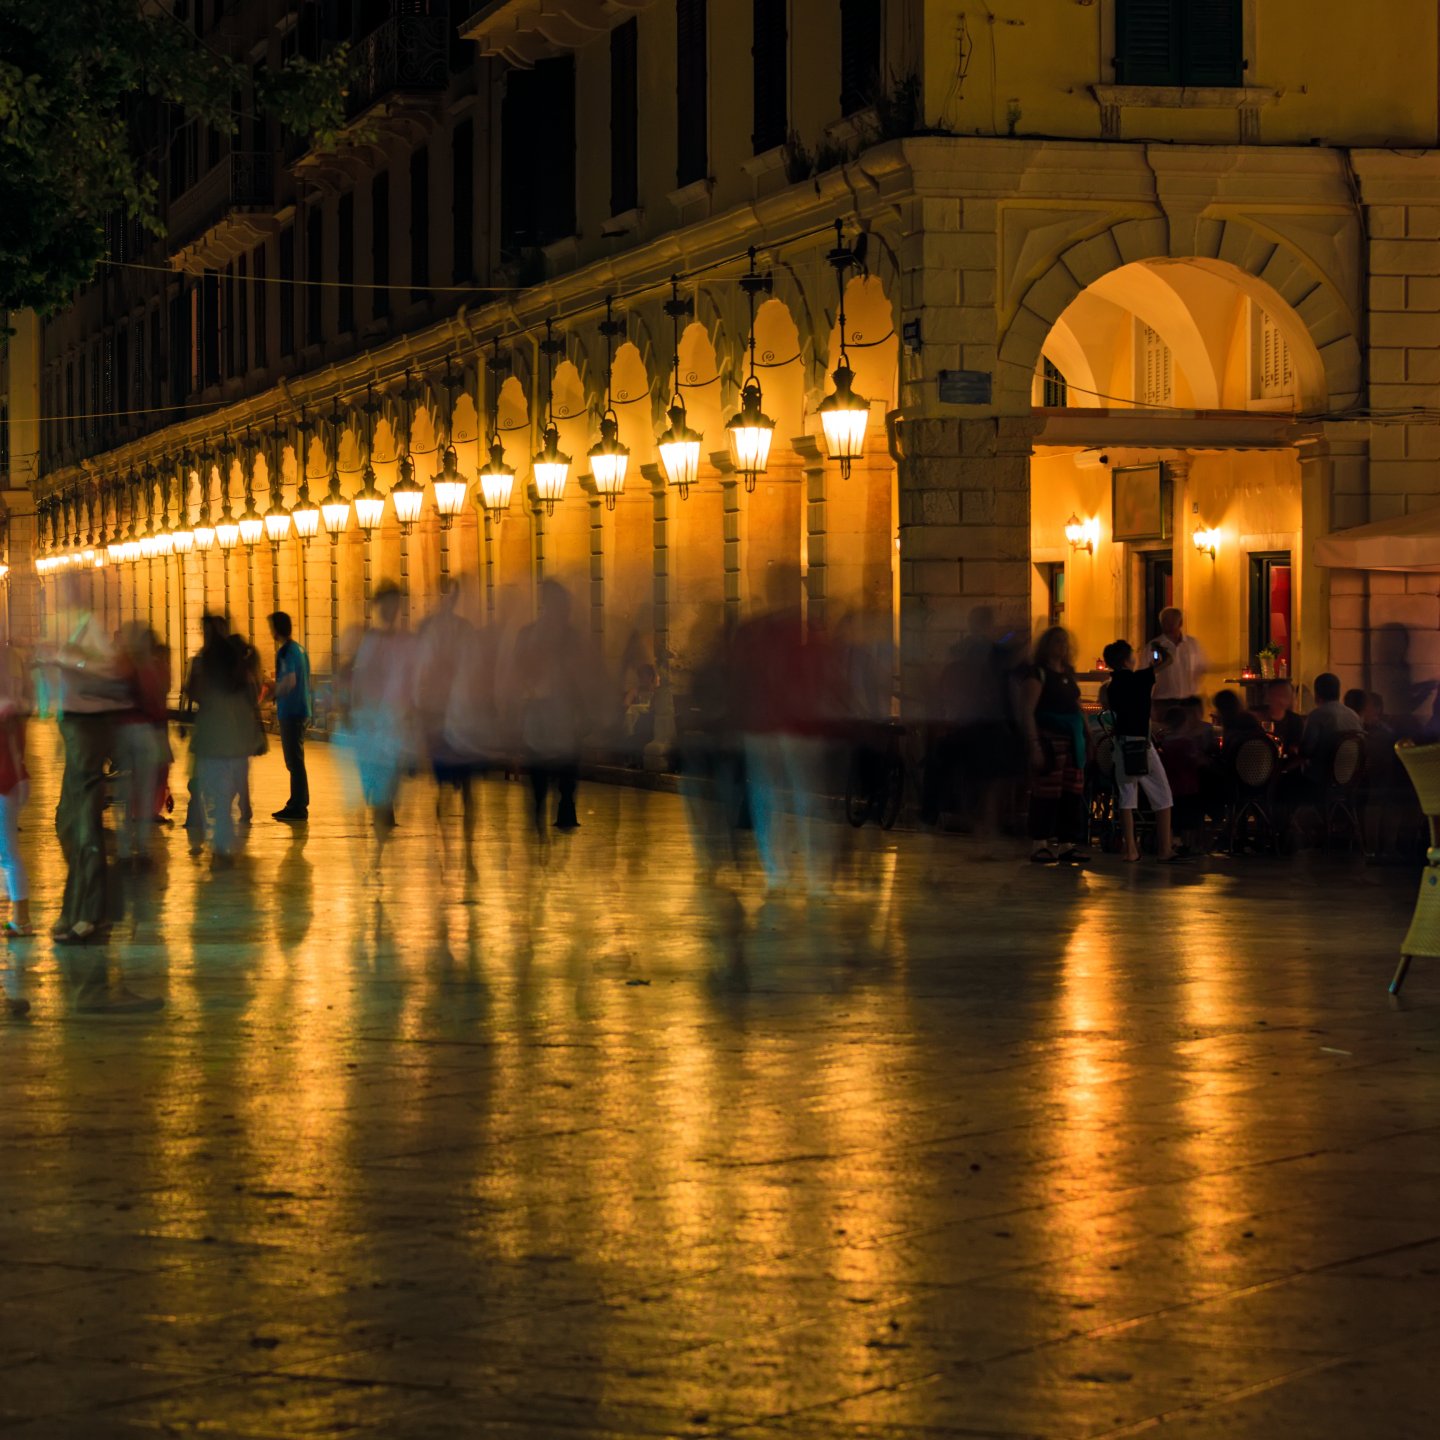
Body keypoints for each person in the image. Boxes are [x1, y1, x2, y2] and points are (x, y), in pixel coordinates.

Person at [48, 572, 131, 943]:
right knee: (70, 825)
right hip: (76, 733)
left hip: (89, 733)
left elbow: (110, 670)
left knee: (84, 829)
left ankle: (91, 915)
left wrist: (72, 660)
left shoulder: (93, 629)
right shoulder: (79, 628)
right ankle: (75, 909)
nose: (61, 594)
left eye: (66, 587)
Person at [185, 614, 260, 864]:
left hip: (213, 736)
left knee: (216, 793)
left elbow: (194, 692)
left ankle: (220, 847)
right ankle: (222, 846)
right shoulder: (236, 662)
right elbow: (250, 697)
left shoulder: (205, 662)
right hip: (233, 737)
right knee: (224, 794)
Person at [347, 581, 417, 837]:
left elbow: (411, 677)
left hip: (394, 716)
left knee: (393, 767)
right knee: (380, 766)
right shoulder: (372, 639)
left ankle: (384, 805)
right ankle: (381, 806)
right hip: (374, 716)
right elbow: (361, 677)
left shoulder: (405, 640)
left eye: (395, 604)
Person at [1101, 638, 1178, 862]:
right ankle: (1165, 848)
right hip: (1142, 745)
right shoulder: (1141, 678)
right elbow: (1169, 660)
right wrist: (1158, 648)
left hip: (1122, 744)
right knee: (1163, 795)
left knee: (1126, 798)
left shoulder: (1111, 687)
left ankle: (1131, 849)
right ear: (1127, 659)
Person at [1018, 627, 1089, 865]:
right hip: (1051, 739)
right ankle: (1040, 842)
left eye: (1065, 642)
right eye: (1057, 642)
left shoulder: (1067, 673)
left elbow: (1076, 704)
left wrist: (1087, 733)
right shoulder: (1038, 674)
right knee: (1047, 791)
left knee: (1072, 791)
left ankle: (1067, 843)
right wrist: (1034, 743)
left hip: (1072, 741)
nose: (1062, 646)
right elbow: (1027, 710)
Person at [112, 622, 169, 863]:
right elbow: (156, 701)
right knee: (145, 790)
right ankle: (143, 846)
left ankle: (124, 846)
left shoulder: (120, 664)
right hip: (146, 732)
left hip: (123, 732)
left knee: (124, 792)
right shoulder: (150, 667)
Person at [0, 647, 33, 939]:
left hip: (4, 784)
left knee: (8, 854)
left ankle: (22, 919)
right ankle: (16, 915)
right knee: (5, 853)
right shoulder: (10, 704)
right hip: (11, 781)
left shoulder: (6, 707)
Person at [268, 611, 311, 822]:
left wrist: (272, 690)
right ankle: (297, 802)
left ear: (276, 629)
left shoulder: (285, 653)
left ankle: (298, 805)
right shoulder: (300, 650)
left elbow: (290, 681)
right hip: (302, 708)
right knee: (297, 759)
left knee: (293, 761)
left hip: (291, 711)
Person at [1301, 671, 1363, 773]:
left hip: (1321, 778)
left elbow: (1306, 751)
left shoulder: (1316, 715)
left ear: (1317, 693)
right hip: (1349, 776)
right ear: (1338, 692)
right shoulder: (1353, 715)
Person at [1152, 607, 1207, 709]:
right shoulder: (1153, 646)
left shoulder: (1192, 644)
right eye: (1166, 621)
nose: (1169, 625)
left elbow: (1201, 667)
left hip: (1189, 701)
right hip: (1164, 701)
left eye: (1172, 621)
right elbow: (1144, 673)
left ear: (1180, 623)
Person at [1262, 679, 1305, 754]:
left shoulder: (1295, 721)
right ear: (1268, 695)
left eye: (1285, 695)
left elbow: (1299, 751)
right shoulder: (1256, 718)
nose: (1281, 700)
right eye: (1277, 695)